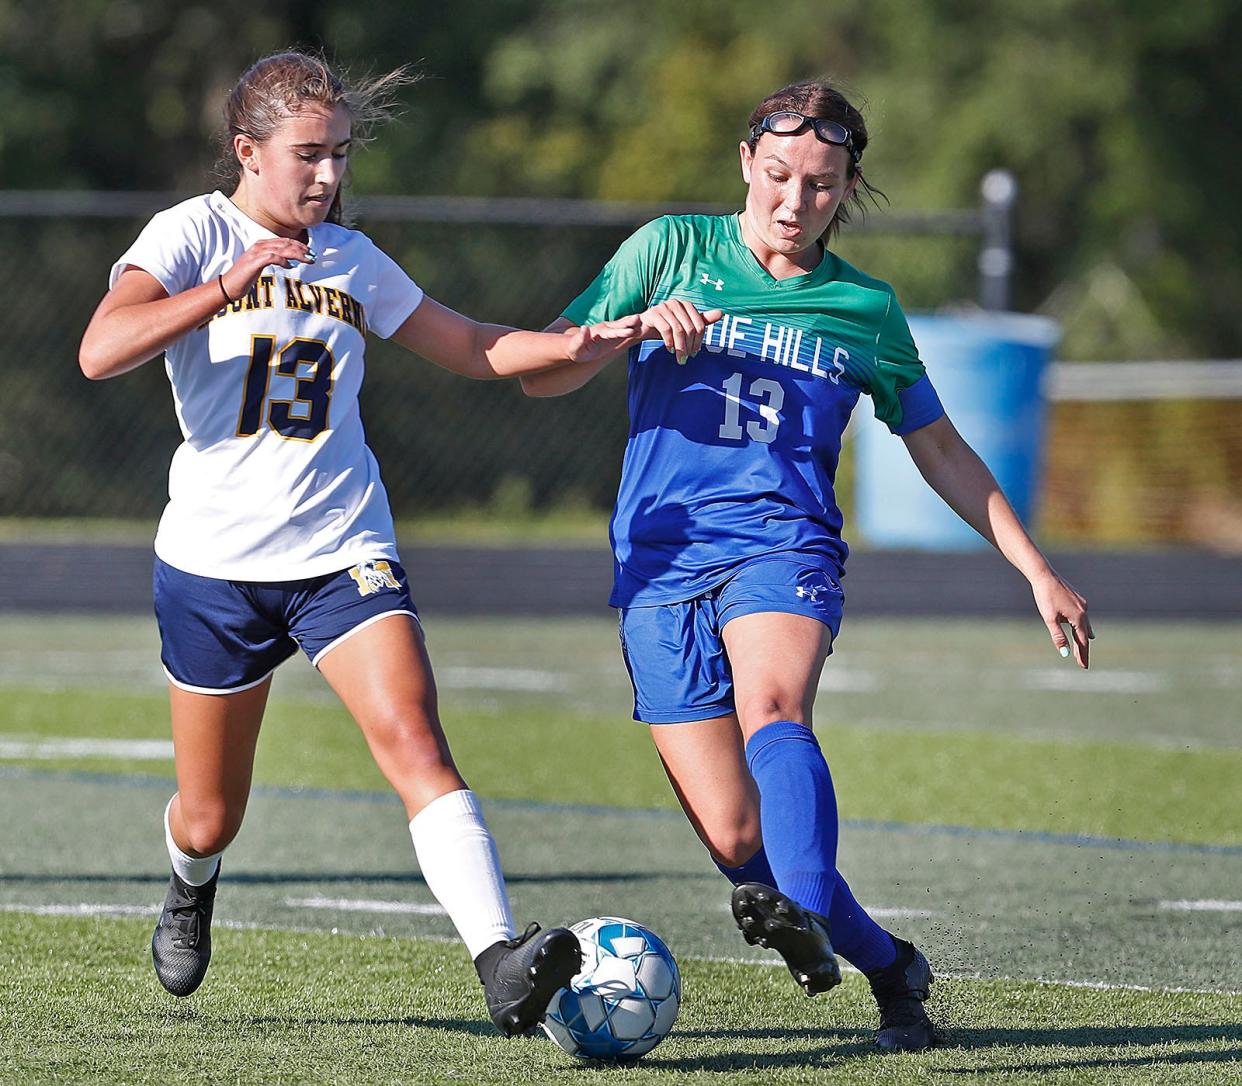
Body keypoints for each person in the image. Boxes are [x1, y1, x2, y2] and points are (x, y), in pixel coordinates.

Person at [76, 50, 654, 1036]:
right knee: (209, 812)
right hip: (216, 568)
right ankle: (189, 882)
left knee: (416, 740)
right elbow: (100, 351)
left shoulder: (351, 257)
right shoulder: (190, 234)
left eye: (341, 154)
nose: (330, 177)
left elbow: (471, 345)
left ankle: (500, 962)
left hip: (344, 549)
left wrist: (575, 345)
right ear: (246, 151)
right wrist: (228, 281)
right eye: (309, 155)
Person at [521, 79, 1094, 1052]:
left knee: (775, 711)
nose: (796, 202)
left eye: (822, 186)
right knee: (745, 844)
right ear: (747, 162)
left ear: (848, 187)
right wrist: (626, 330)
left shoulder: (864, 308)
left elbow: (941, 446)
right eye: (779, 176)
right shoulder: (666, 251)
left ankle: (809, 918)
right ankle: (889, 964)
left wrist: (1036, 568)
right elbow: (540, 370)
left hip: (783, 547)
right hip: (658, 568)